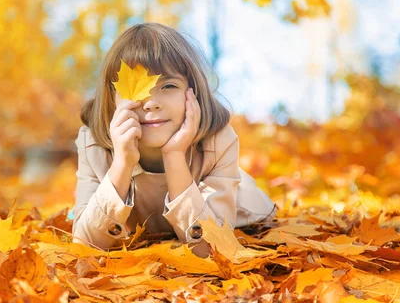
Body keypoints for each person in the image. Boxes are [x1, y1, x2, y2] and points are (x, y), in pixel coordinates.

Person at [72, 23, 276, 256]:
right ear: (111, 100)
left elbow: (212, 251)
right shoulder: (93, 144)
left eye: (168, 85)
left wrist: (174, 156)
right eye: (135, 90)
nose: (151, 103)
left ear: (193, 93)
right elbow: (84, 247)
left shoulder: (219, 141)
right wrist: (122, 163)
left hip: (243, 210)